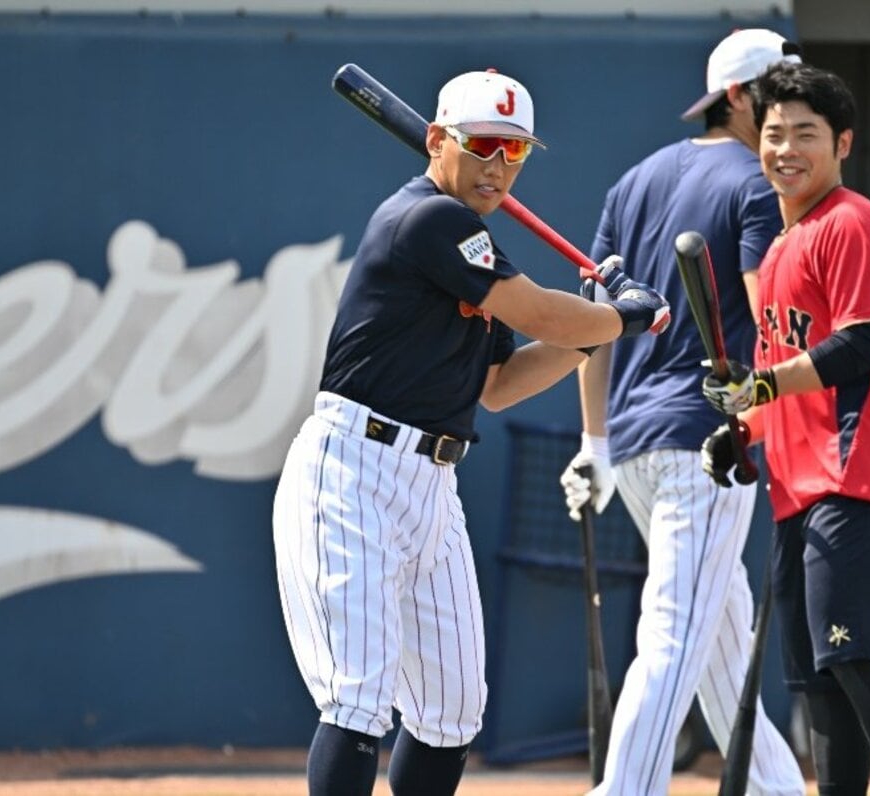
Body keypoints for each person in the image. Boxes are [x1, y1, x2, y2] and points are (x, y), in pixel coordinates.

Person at [272, 68, 670, 796]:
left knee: (453, 711)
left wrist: (596, 330)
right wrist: (624, 316)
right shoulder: (429, 218)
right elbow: (539, 314)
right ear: (436, 141)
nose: (498, 167)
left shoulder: (472, 242)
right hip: (353, 468)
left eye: (514, 152)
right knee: (359, 699)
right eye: (482, 145)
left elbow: (500, 384)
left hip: (432, 480)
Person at [559, 29, 807, 796]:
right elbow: (772, 319)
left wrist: (595, 442)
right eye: (777, 87)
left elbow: (592, 323)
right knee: (673, 636)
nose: (791, 103)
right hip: (708, 444)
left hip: (635, 441)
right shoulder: (756, 185)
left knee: (723, 655)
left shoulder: (632, 182)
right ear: (738, 96)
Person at [701, 61, 870, 796]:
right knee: (819, 681)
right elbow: (785, 385)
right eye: (773, 134)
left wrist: (760, 383)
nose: (786, 149)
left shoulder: (855, 225)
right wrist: (743, 428)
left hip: (861, 477)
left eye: (806, 133)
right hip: (800, 489)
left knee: (857, 656)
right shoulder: (778, 250)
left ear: (843, 143)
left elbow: (864, 344)